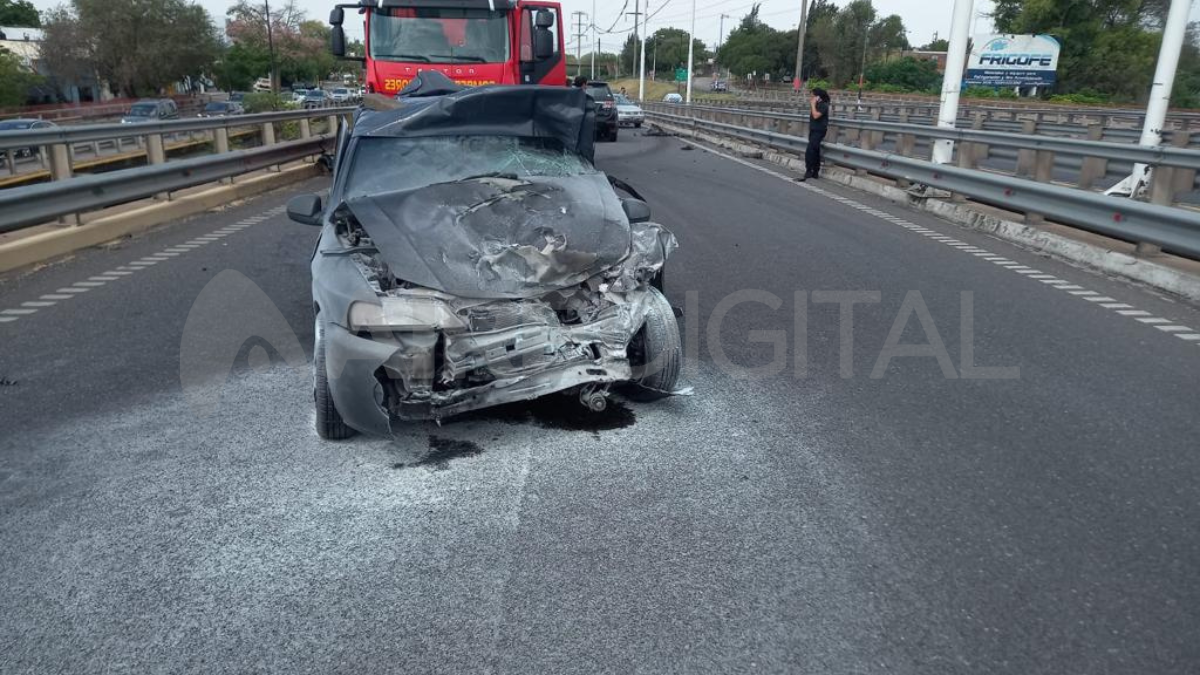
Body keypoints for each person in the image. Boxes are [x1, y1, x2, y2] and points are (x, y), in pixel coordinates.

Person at [800, 87, 831, 181]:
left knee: (810, 150)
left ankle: (809, 170)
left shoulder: (824, 105)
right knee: (815, 150)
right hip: (813, 130)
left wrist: (813, 105)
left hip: (819, 130)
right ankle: (815, 172)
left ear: (818, 97)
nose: (811, 98)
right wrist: (814, 105)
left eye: (813, 96)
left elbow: (816, 116)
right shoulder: (817, 105)